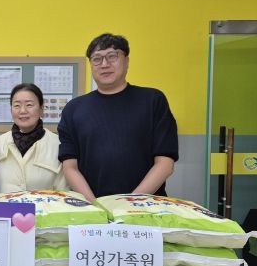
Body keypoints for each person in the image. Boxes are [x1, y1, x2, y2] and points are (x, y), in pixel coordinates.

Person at [58, 33, 178, 201]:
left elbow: (165, 163)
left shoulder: (153, 101)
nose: (104, 64)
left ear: (127, 61)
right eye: (97, 59)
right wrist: (94, 205)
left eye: (112, 56)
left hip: (145, 204)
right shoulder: (73, 109)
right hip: (92, 206)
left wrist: (130, 202)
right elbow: (70, 166)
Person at [0, 83, 68, 193]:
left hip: (45, 204)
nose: (22, 111)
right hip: (4, 204)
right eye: (17, 105)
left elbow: (64, 191)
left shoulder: (57, 144)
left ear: (41, 109)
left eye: (29, 105)